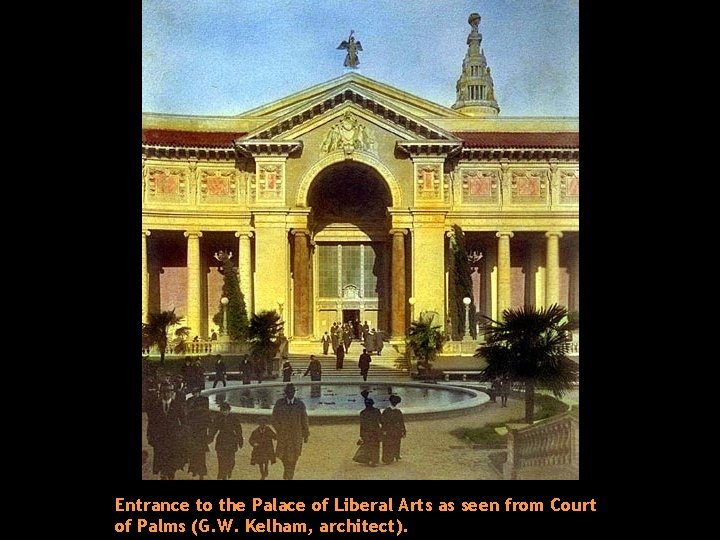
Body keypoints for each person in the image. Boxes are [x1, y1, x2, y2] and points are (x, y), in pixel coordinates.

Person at [146, 382, 186, 480]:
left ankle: (171, 476)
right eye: (164, 391)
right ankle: (163, 476)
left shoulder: (177, 405)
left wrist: (181, 434)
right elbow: (151, 422)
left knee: (172, 464)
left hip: (173, 439)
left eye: (169, 391)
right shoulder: (155, 406)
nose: (166, 394)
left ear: (172, 393)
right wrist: (150, 436)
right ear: (160, 393)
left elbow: (184, 422)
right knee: (161, 462)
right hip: (160, 439)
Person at [271, 383, 309, 480]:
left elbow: (304, 420)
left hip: (295, 436)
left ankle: (289, 476)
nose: (290, 394)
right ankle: (287, 472)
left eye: (292, 392)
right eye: (288, 392)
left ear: (294, 392)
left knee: (294, 457)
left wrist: (306, 434)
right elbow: (274, 419)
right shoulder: (279, 403)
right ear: (285, 393)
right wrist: (280, 429)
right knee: (283, 456)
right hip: (283, 436)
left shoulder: (300, 404)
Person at [209, 402, 243, 480]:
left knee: (231, 460)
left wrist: (240, 441)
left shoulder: (234, 418)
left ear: (229, 410)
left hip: (231, 441)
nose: (224, 412)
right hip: (221, 440)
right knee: (221, 459)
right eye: (222, 410)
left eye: (226, 410)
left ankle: (229, 470)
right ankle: (222, 475)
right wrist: (210, 438)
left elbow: (238, 430)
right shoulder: (218, 418)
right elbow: (213, 429)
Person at [185, 387, 211, 479]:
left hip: (201, 430)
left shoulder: (204, 400)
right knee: (192, 451)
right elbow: (187, 414)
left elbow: (206, 413)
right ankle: (194, 470)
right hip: (193, 429)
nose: (196, 394)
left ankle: (201, 472)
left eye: (197, 392)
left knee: (201, 452)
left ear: (200, 393)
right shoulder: (190, 400)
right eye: (194, 393)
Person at [354, 398, 381, 466]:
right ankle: (374, 460)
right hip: (375, 431)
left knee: (367, 446)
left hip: (366, 432)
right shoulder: (377, 411)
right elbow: (381, 421)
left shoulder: (363, 413)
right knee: (375, 446)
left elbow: (362, 425)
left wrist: (361, 435)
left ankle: (368, 460)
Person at [381, 395, 406, 464]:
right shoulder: (398, 411)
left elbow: (382, 421)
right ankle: (396, 455)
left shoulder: (386, 411)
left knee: (387, 443)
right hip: (396, 429)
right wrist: (403, 430)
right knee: (397, 442)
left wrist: (383, 430)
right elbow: (401, 422)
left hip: (388, 430)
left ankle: (388, 458)